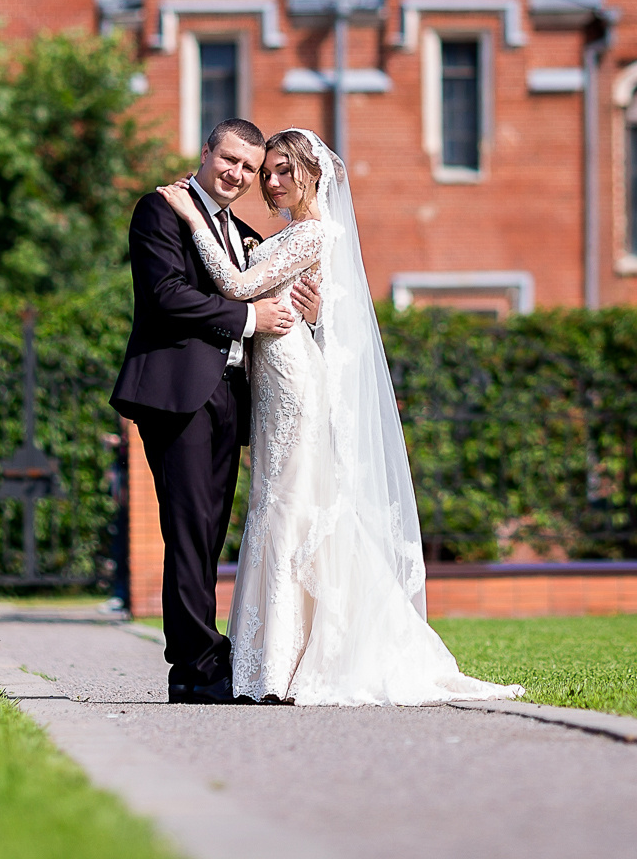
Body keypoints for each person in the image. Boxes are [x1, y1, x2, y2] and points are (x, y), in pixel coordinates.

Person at [154, 127, 520, 705]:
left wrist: (193, 219)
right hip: (271, 385)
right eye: (263, 171)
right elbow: (263, 280)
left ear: (312, 175)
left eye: (279, 171)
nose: (268, 182)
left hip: (293, 380)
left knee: (292, 507)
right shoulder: (285, 233)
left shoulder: (315, 232)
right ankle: (268, 659)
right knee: (278, 507)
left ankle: (278, 664)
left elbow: (238, 282)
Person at [111, 119, 321, 705]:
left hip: (231, 394)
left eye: (249, 169)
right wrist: (251, 320)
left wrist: (314, 301)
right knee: (187, 528)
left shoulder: (245, 231)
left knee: (209, 531)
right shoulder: (160, 211)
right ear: (206, 154)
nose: (237, 174)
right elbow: (167, 294)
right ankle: (195, 666)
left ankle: (205, 655)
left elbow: (272, 278)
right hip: (177, 391)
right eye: (229, 159)